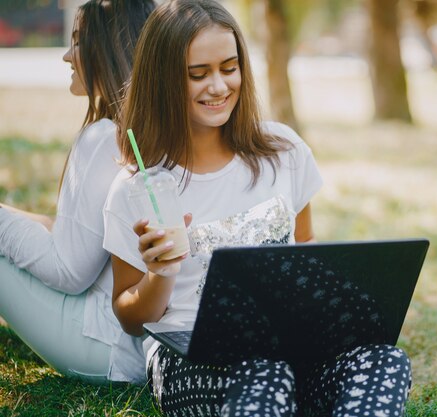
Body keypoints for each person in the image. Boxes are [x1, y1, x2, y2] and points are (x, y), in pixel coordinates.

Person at [103, 0, 412, 415]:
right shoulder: (137, 189)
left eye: (229, 68)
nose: (218, 86)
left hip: (289, 343)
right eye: (198, 74)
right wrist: (160, 273)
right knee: (266, 373)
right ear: (162, 80)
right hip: (192, 356)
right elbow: (129, 317)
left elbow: (305, 246)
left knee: (384, 359)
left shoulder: (284, 152)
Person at [0, 0, 156, 384]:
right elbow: (78, 235)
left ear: (107, 48)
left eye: (77, 41)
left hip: (104, 345)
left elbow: (68, 271)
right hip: (137, 346)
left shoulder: (105, 136)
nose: (67, 55)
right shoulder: (148, 128)